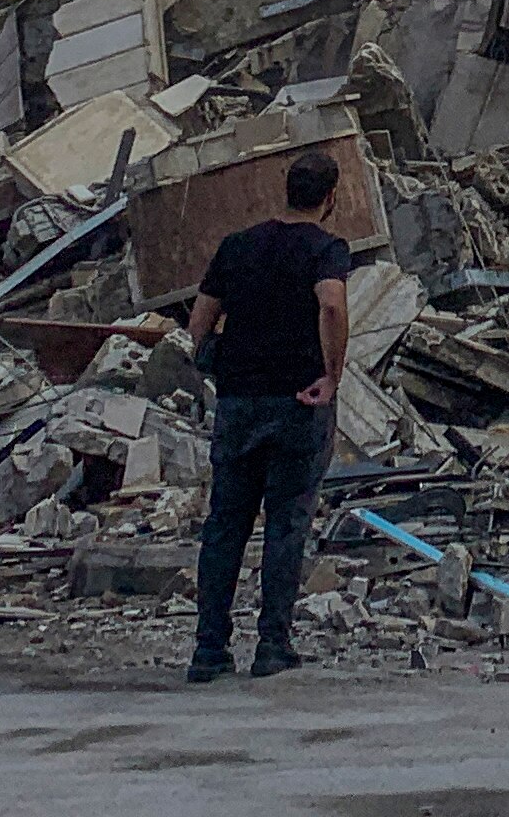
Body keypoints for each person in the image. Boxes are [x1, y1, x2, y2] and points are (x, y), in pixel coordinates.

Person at [182, 145, 352, 682]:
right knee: (286, 525)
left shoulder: (236, 246)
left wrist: (214, 360)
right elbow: (331, 304)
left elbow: (199, 322)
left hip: (239, 403)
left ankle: (209, 649)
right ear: (330, 198)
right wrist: (332, 374)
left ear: (286, 189)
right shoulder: (326, 249)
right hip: (298, 403)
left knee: (226, 523)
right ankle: (272, 645)